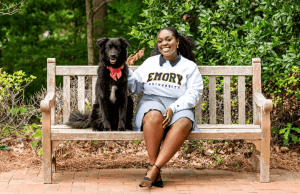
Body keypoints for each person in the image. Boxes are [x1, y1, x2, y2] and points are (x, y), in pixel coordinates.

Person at [127, 27, 203, 189]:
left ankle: (153, 169)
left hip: (178, 103)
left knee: (184, 122)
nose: (164, 44)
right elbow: (136, 88)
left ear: (177, 41)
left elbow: (193, 94)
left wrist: (173, 107)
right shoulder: (150, 62)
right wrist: (125, 70)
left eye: (168, 39)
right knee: (154, 116)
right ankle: (156, 169)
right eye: (160, 41)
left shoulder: (189, 67)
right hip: (151, 100)